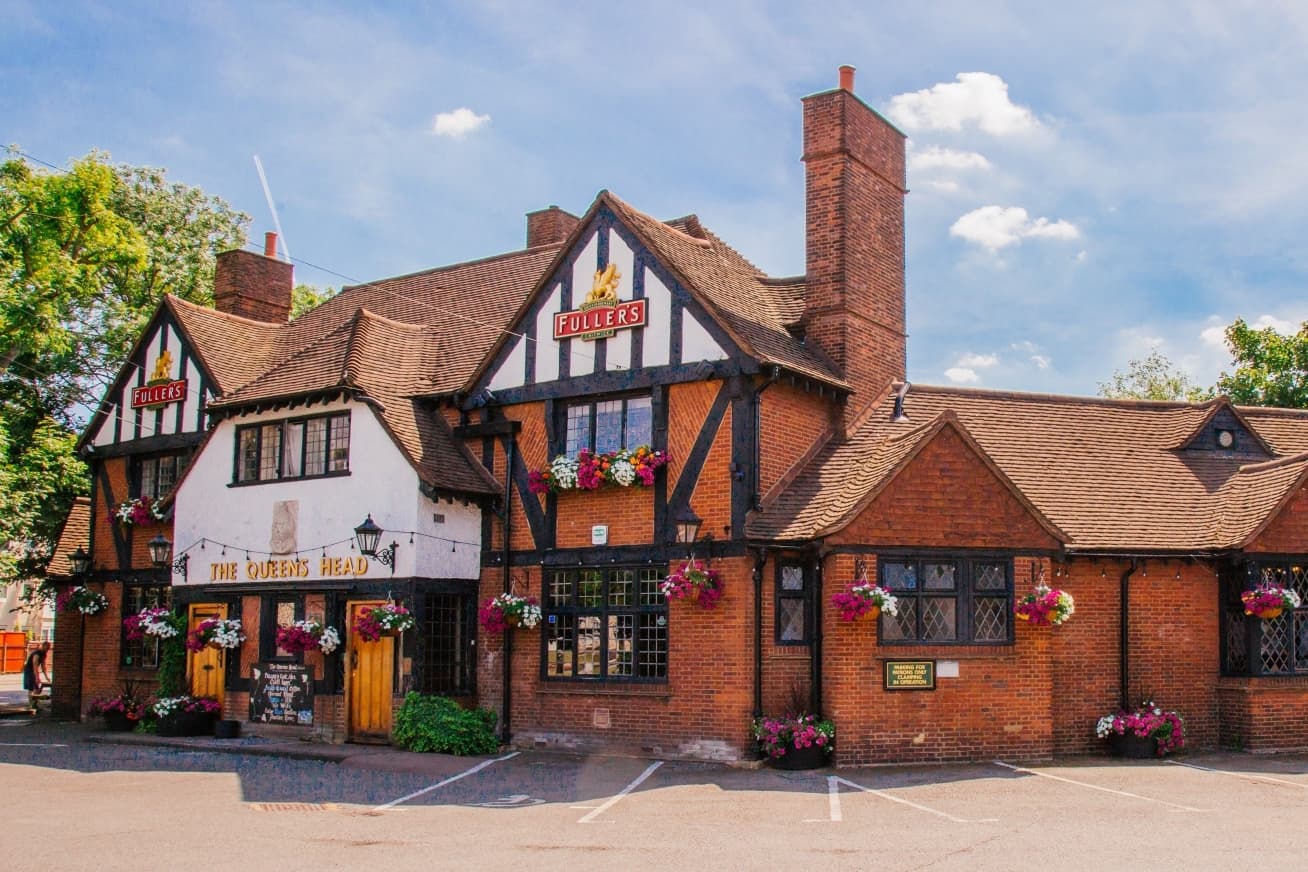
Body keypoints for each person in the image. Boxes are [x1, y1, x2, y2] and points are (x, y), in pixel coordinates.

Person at [23, 641, 51, 712]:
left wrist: (47, 676)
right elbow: (35, 666)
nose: (47, 650)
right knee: (31, 688)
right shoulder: (36, 654)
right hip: (29, 671)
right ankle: (32, 705)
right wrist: (37, 677)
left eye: (48, 648)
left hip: (34, 671)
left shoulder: (44, 654)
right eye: (46, 648)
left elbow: (43, 666)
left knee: (37, 688)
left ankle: (35, 704)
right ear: (43, 646)